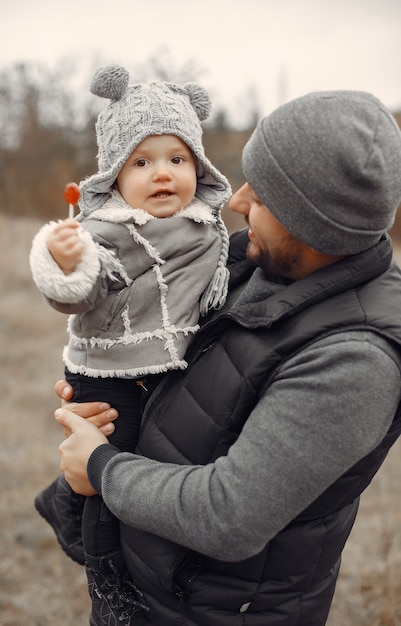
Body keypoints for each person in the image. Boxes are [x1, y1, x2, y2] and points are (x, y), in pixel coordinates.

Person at [55, 90, 401, 626]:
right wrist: (110, 397)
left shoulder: (355, 361)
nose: (235, 202)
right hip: (152, 590)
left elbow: (229, 514)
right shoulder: (250, 263)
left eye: (261, 199)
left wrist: (101, 469)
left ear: (314, 225)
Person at [29, 65, 231, 580]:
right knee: (104, 469)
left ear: (198, 166)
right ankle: (102, 563)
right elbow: (79, 293)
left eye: (177, 158)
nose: (162, 173)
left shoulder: (208, 228)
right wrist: (64, 258)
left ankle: (71, 507)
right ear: (116, 174)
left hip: (167, 368)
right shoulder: (106, 231)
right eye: (142, 161)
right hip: (107, 372)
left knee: (147, 466)